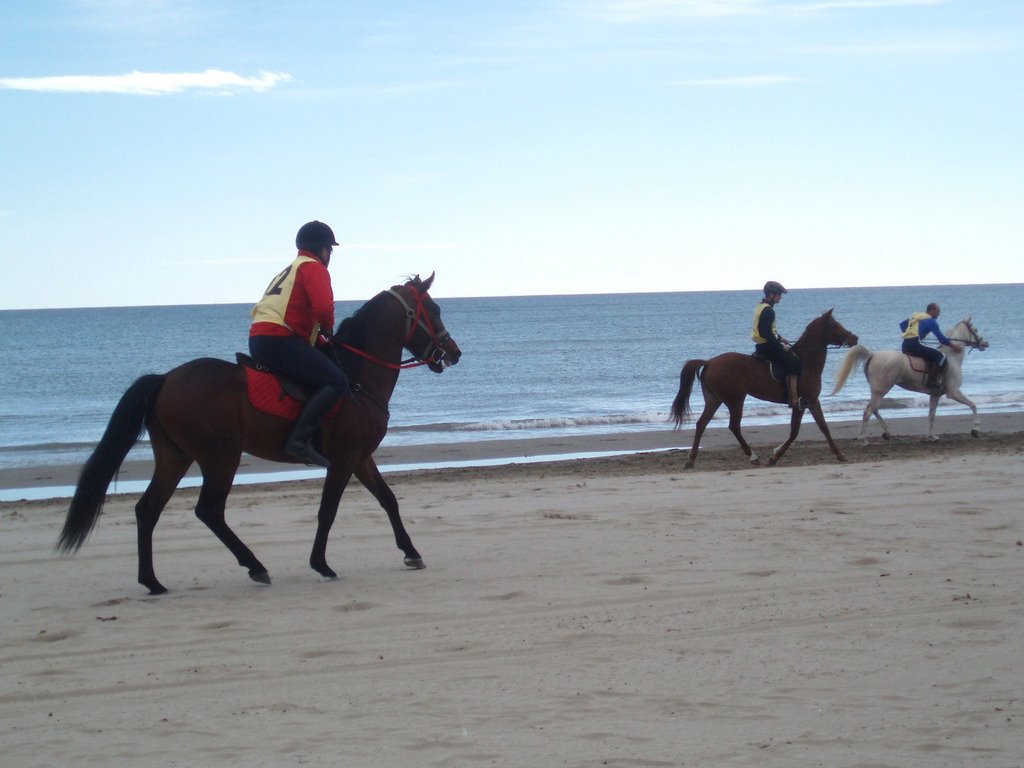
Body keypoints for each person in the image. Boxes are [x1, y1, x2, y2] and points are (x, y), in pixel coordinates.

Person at [249, 220, 350, 468]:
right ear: (323, 249)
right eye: (330, 250)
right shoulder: (314, 268)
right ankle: (298, 441)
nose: (330, 255)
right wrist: (328, 329)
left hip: (260, 337)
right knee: (336, 381)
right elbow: (324, 308)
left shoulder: (291, 268)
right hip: (279, 338)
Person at [752, 280, 804, 409]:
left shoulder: (761, 306)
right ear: (771, 295)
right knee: (792, 362)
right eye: (779, 295)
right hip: (767, 346)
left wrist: (781, 338)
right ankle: (793, 399)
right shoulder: (768, 310)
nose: (780, 297)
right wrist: (781, 346)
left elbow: (767, 330)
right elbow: (766, 333)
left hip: (763, 344)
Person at [899, 302, 963, 388]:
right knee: (941, 356)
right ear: (932, 310)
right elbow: (942, 339)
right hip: (915, 345)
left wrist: (911, 333)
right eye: (938, 311)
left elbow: (902, 325)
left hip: (905, 345)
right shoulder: (931, 321)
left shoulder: (916, 317)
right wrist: (954, 347)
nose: (939, 314)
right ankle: (931, 381)